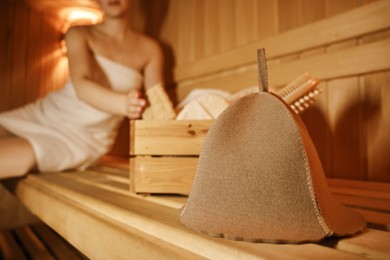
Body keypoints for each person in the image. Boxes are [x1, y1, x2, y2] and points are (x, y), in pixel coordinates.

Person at [0, 0, 166, 179]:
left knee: (15, 159)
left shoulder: (150, 50)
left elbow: (158, 104)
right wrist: (124, 104)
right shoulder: (79, 33)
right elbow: (82, 85)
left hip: (82, 138)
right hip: (46, 114)